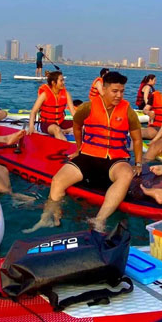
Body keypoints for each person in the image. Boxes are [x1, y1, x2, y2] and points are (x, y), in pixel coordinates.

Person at [25, 71, 143, 233]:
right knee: (58, 181)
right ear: (105, 89)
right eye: (115, 91)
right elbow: (77, 125)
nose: (119, 95)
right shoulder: (88, 107)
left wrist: (137, 163)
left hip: (115, 159)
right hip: (88, 156)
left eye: (122, 91)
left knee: (126, 175)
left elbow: (137, 139)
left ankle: (99, 220)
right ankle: (48, 217)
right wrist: (79, 148)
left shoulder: (128, 110)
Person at [28, 71, 77, 140]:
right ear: (53, 83)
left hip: (61, 122)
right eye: (61, 80)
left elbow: (72, 111)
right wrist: (31, 126)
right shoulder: (44, 95)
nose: (64, 82)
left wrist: (80, 123)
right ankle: (67, 148)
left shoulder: (66, 94)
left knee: (82, 125)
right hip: (47, 124)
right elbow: (33, 111)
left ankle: (65, 131)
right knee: (57, 129)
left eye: (63, 80)